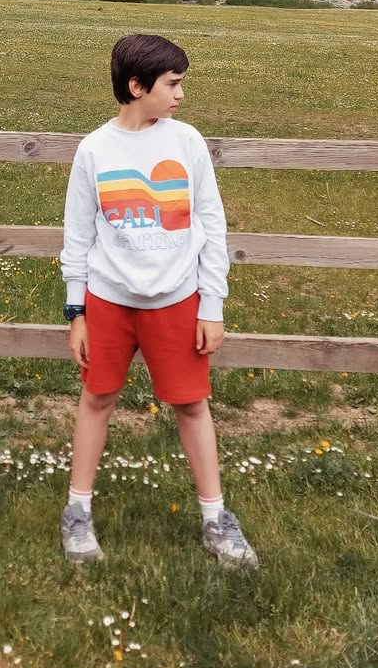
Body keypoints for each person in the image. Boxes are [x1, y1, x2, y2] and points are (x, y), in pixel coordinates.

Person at [58, 33, 257, 568]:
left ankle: (216, 518)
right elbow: (78, 236)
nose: (180, 95)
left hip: (177, 301)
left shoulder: (187, 142)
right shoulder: (94, 149)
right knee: (97, 398)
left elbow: (211, 226)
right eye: (173, 84)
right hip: (108, 301)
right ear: (136, 86)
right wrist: (75, 310)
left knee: (192, 404)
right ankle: (77, 514)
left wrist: (211, 304)